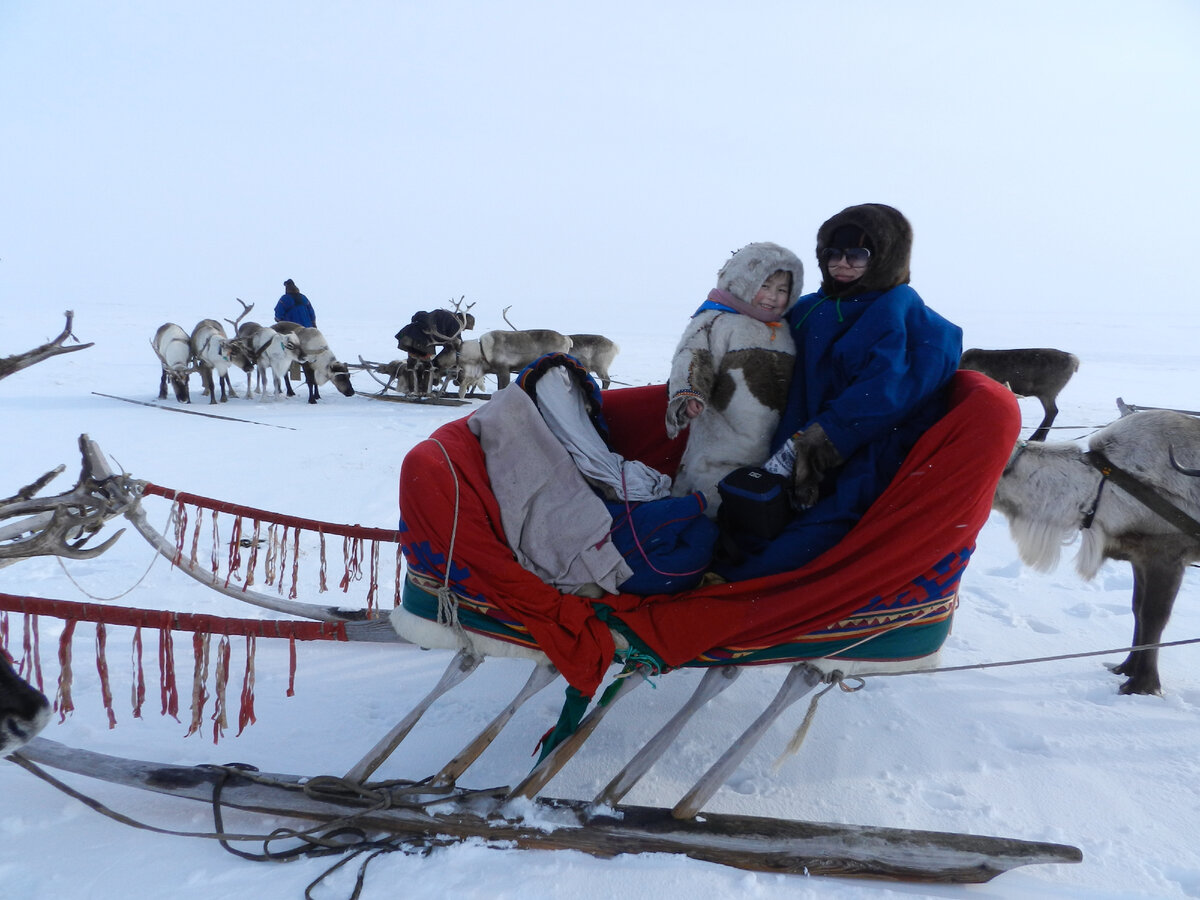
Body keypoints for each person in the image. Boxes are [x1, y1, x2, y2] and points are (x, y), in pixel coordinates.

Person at [713, 203, 963, 581]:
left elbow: (889, 389)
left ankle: (748, 599)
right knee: (748, 516)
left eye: (857, 254)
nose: (841, 263)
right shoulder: (810, 308)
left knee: (813, 535)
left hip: (857, 451)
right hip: (786, 436)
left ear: (885, 255)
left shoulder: (901, 310)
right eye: (832, 253)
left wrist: (821, 441)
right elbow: (750, 340)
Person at [665, 241, 805, 515]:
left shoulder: (785, 330)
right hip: (719, 444)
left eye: (782, 290)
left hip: (766, 447)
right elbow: (694, 356)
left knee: (752, 503)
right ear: (743, 281)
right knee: (712, 500)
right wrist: (689, 392)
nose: (772, 297)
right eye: (764, 286)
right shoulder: (718, 320)